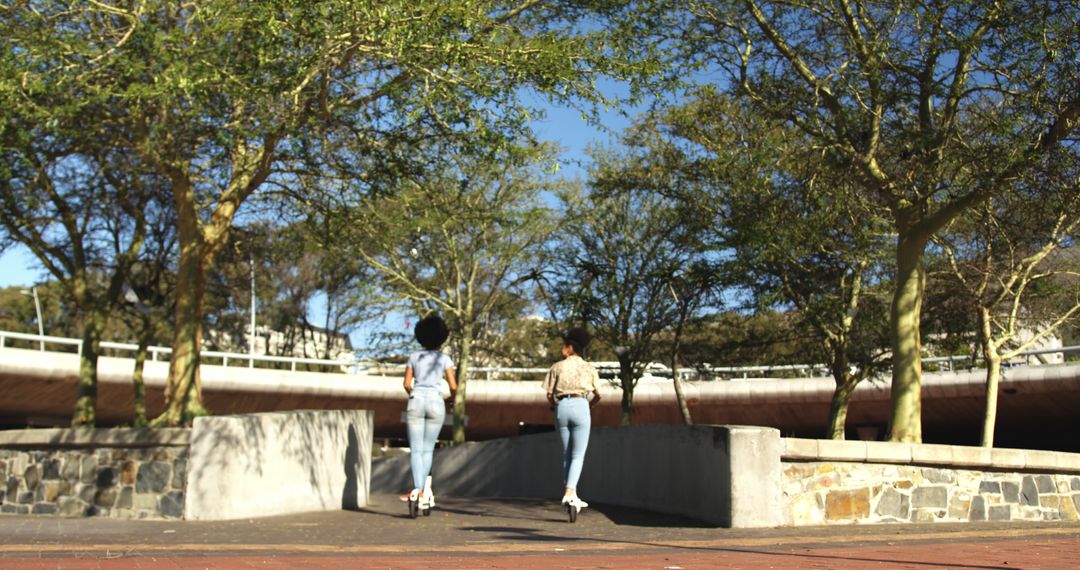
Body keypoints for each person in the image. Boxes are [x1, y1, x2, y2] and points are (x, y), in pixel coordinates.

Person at [400, 314, 457, 515]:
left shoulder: (414, 357)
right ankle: (424, 492)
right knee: (428, 450)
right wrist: (450, 400)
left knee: (416, 450)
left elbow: (406, 384)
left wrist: (414, 393)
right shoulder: (444, 359)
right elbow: (453, 385)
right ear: (442, 337)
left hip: (416, 400)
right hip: (436, 401)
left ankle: (417, 489)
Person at [542, 326, 601, 514]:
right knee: (578, 455)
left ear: (570, 348)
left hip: (561, 408)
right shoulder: (589, 367)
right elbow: (599, 395)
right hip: (581, 404)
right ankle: (569, 492)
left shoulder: (557, 367)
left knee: (567, 454)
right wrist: (588, 405)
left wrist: (555, 405)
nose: (562, 349)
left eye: (564, 345)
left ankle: (571, 493)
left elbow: (549, 394)